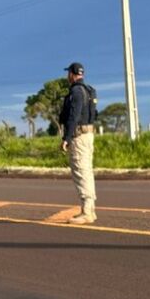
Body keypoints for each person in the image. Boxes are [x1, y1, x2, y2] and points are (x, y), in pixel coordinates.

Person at [59, 62, 98, 225]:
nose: (67, 76)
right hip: (88, 134)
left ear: (72, 74)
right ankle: (90, 210)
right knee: (87, 171)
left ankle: (87, 212)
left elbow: (73, 116)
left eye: (68, 73)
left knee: (81, 172)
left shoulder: (75, 91)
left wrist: (66, 138)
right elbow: (95, 114)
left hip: (79, 136)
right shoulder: (89, 90)